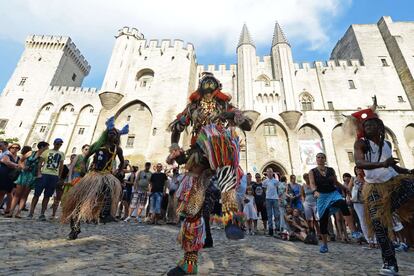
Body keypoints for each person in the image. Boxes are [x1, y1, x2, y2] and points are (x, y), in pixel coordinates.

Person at [166, 72, 252, 275]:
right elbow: (177, 127)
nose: (208, 81)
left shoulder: (225, 106)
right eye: (205, 79)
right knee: (192, 206)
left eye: (212, 80)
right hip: (198, 153)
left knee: (225, 167)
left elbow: (247, 124)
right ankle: (189, 262)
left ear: (217, 87)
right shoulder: (193, 107)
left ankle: (232, 217)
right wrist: (175, 147)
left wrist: (229, 115)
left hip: (221, 148)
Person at [352, 108, 414, 275]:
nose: (369, 127)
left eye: (373, 124)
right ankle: (389, 263)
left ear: (380, 127)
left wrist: (407, 171)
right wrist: (382, 164)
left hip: (393, 182)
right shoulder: (361, 144)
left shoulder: (386, 143)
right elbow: (360, 163)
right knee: (378, 225)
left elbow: (393, 166)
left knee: (412, 187)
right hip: (374, 189)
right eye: (366, 125)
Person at [61, 116, 127, 240]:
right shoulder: (97, 145)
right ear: (106, 134)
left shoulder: (117, 149)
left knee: (109, 190)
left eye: (115, 134)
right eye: (111, 133)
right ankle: (75, 228)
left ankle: (106, 213)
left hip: (106, 176)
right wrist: (84, 168)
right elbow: (86, 157)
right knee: (76, 200)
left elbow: (122, 162)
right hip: (92, 175)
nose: (112, 135)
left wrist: (119, 171)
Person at [309, 152, 362, 254]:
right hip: (322, 196)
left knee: (342, 203)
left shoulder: (330, 170)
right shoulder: (312, 171)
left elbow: (335, 182)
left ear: (325, 159)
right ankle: (324, 244)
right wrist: (314, 191)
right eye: (318, 157)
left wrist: (345, 188)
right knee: (323, 220)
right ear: (316, 159)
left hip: (333, 193)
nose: (320, 159)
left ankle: (353, 231)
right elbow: (312, 183)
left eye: (322, 157)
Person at [9, 142, 49, 218]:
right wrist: (23, 167)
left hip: (32, 176)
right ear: (42, 147)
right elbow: (21, 160)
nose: (47, 149)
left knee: (24, 195)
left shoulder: (44, 157)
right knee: (17, 194)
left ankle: (18, 212)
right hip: (24, 174)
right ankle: (11, 211)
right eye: (46, 147)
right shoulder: (31, 153)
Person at [28, 138, 64, 221]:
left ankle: (42, 213)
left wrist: (59, 176)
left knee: (47, 195)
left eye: (60, 144)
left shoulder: (61, 154)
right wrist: (39, 173)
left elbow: (61, 166)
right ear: (54, 143)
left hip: (54, 176)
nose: (58, 145)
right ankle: (31, 212)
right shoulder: (46, 152)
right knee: (37, 194)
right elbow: (40, 162)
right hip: (44, 174)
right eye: (57, 144)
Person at [349, 167, 376, 248]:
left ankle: (376, 239)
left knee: (372, 219)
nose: (358, 170)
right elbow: (348, 189)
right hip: (358, 202)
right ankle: (369, 240)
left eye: (360, 169)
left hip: (369, 201)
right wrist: (348, 197)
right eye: (357, 169)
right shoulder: (353, 178)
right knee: (363, 220)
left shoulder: (368, 178)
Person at [51, 154, 75, 219]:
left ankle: (64, 215)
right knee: (57, 199)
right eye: (72, 158)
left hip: (70, 185)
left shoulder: (76, 169)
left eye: (75, 158)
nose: (73, 159)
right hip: (61, 183)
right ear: (70, 158)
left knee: (67, 201)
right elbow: (60, 174)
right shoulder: (65, 166)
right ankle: (53, 214)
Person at [0, 143, 21, 215]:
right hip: (3, 175)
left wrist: (14, 165)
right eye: (13, 147)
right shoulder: (7, 155)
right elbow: (6, 162)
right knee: (1, 192)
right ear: (10, 148)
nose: (15, 149)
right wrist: (16, 165)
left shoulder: (18, 158)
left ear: (18, 149)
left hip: (12, 177)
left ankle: (8, 209)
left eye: (17, 148)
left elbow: (20, 166)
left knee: (10, 193)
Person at [263, 168, 280, 237]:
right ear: (266, 173)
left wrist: (278, 197)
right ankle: (270, 231)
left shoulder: (276, 181)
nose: (269, 173)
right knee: (269, 215)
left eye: (270, 172)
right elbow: (264, 190)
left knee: (276, 215)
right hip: (268, 199)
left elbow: (278, 190)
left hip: (275, 199)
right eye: (268, 172)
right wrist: (265, 198)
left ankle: (277, 230)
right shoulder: (265, 181)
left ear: (272, 173)